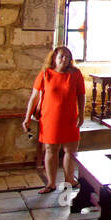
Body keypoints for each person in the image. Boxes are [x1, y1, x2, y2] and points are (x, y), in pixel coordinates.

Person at [23, 45, 86, 193]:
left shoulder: (75, 74)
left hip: (70, 117)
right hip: (50, 117)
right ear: (54, 58)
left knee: (70, 150)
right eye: (61, 56)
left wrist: (81, 114)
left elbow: (81, 95)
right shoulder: (46, 74)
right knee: (51, 150)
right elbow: (34, 97)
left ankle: (69, 180)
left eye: (68, 57)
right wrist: (27, 117)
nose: (65, 59)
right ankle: (51, 183)